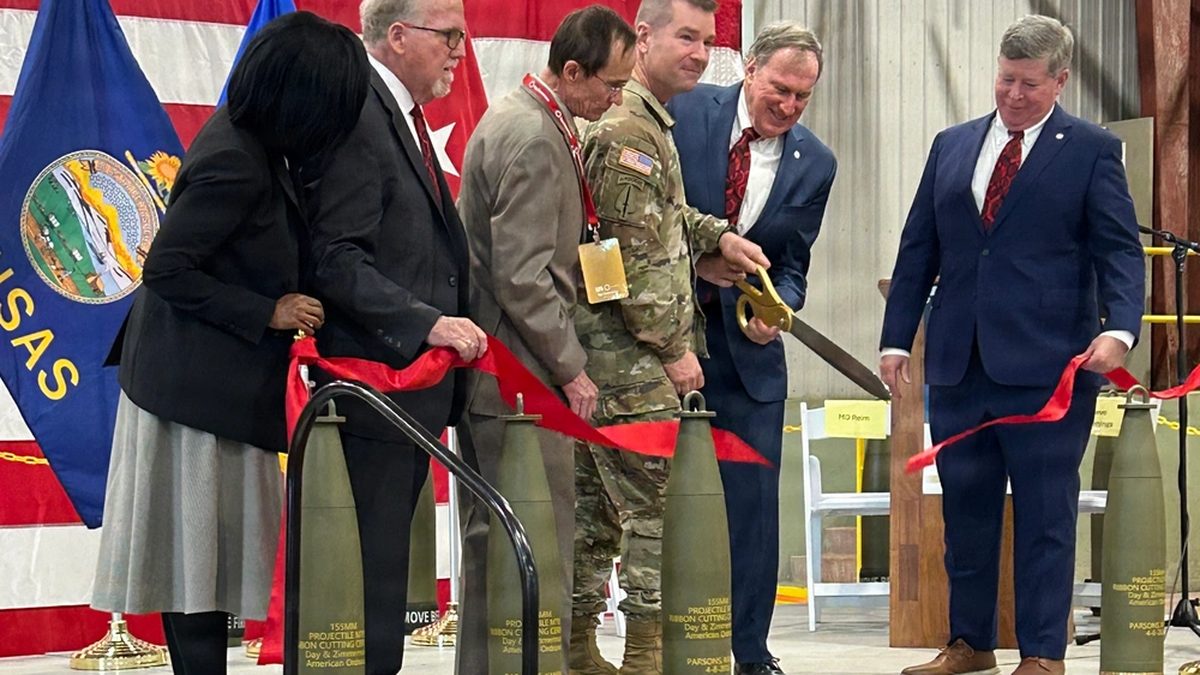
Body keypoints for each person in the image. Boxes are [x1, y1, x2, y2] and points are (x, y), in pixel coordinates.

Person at [90, 12, 368, 675]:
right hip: (187, 397)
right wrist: (267, 311)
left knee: (207, 568)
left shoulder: (257, 145)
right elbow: (165, 269)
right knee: (194, 572)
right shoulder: (234, 162)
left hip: (210, 386)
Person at [879, 15, 1143, 675]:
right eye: (1005, 80)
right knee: (964, 510)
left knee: (1045, 514)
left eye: (1029, 83)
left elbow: (1119, 250)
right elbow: (919, 249)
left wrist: (1119, 328)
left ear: (1060, 80)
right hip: (959, 363)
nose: (1014, 95)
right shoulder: (951, 145)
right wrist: (894, 341)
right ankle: (969, 643)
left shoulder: (1090, 150)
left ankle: (1043, 653)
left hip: (1048, 368)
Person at [571, 0, 769, 672]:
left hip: (615, 355)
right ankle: (646, 654)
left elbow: (662, 214)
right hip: (630, 356)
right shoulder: (629, 128)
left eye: (707, 41)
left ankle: (582, 647)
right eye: (685, 37)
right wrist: (676, 348)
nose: (698, 53)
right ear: (643, 36)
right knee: (656, 509)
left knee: (600, 508)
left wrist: (718, 236)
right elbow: (628, 255)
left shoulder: (652, 122)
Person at [301, 0, 484, 672]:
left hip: (412, 397)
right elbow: (337, 258)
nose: (461, 51)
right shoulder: (358, 118)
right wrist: (427, 321)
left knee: (382, 586)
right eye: (450, 36)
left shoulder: (398, 117)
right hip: (374, 390)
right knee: (367, 592)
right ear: (398, 36)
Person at [455, 6, 635, 674]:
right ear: (570, 71)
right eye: (610, 86)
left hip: (508, 375)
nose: (616, 100)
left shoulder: (523, 120)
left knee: (498, 544)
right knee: (531, 541)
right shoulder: (533, 137)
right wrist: (571, 367)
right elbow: (524, 274)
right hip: (518, 380)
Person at [668, 22, 836, 675]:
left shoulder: (815, 162)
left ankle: (750, 651)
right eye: (780, 89)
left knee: (753, 512)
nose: (789, 106)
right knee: (652, 502)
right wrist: (699, 259)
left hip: (750, 361)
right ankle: (659, 643)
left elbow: (794, 262)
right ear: (750, 67)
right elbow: (641, 218)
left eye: (803, 97)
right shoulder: (684, 113)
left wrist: (780, 308)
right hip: (664, 343)